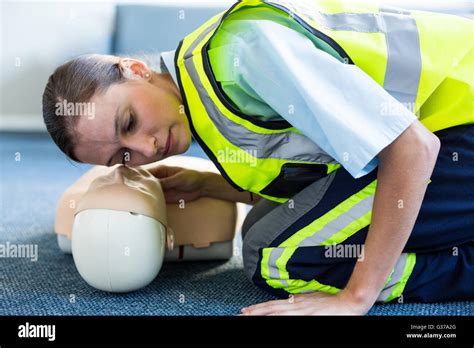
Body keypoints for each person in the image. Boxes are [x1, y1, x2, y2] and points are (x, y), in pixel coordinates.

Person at [42, 0, 474, 315]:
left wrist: (356, 296)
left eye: (129, 123)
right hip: (445, 135)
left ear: (134, 70)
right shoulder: (198, 88)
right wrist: (217, 186)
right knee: (262, 226)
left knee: (277, 256)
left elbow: (412, 147)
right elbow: (329, 164)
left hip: (455, 133)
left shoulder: (241, 55)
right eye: (123, 157)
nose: (146, 150)